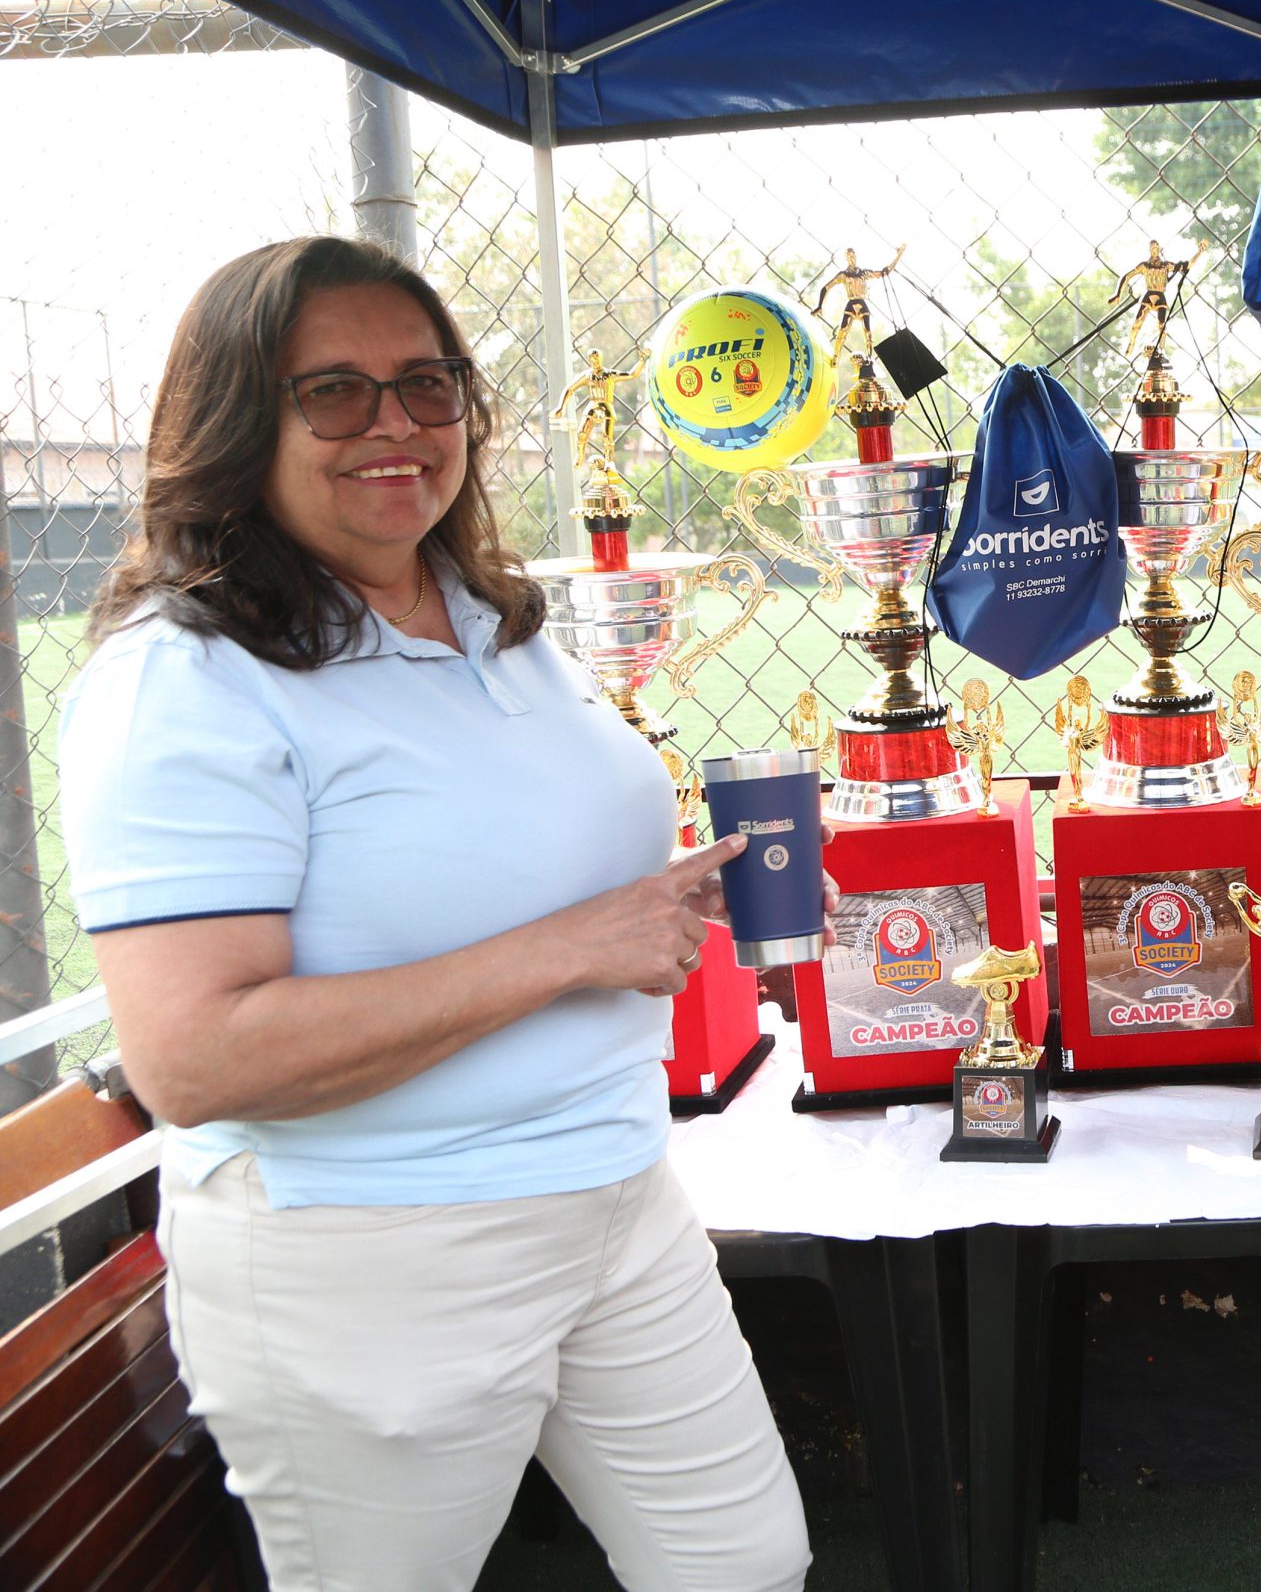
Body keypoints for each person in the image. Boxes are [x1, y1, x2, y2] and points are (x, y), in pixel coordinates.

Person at [60, 236, 813, 1592]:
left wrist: (653, 902)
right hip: (368, 1249)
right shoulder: (187, 677)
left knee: (746, 1566)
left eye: (427, 384)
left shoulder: (488, 617)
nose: (395, 425)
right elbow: (194, 1057)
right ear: (239, 425)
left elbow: (484, 872)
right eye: (333, 393)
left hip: (613, 1195)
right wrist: (575, 946)